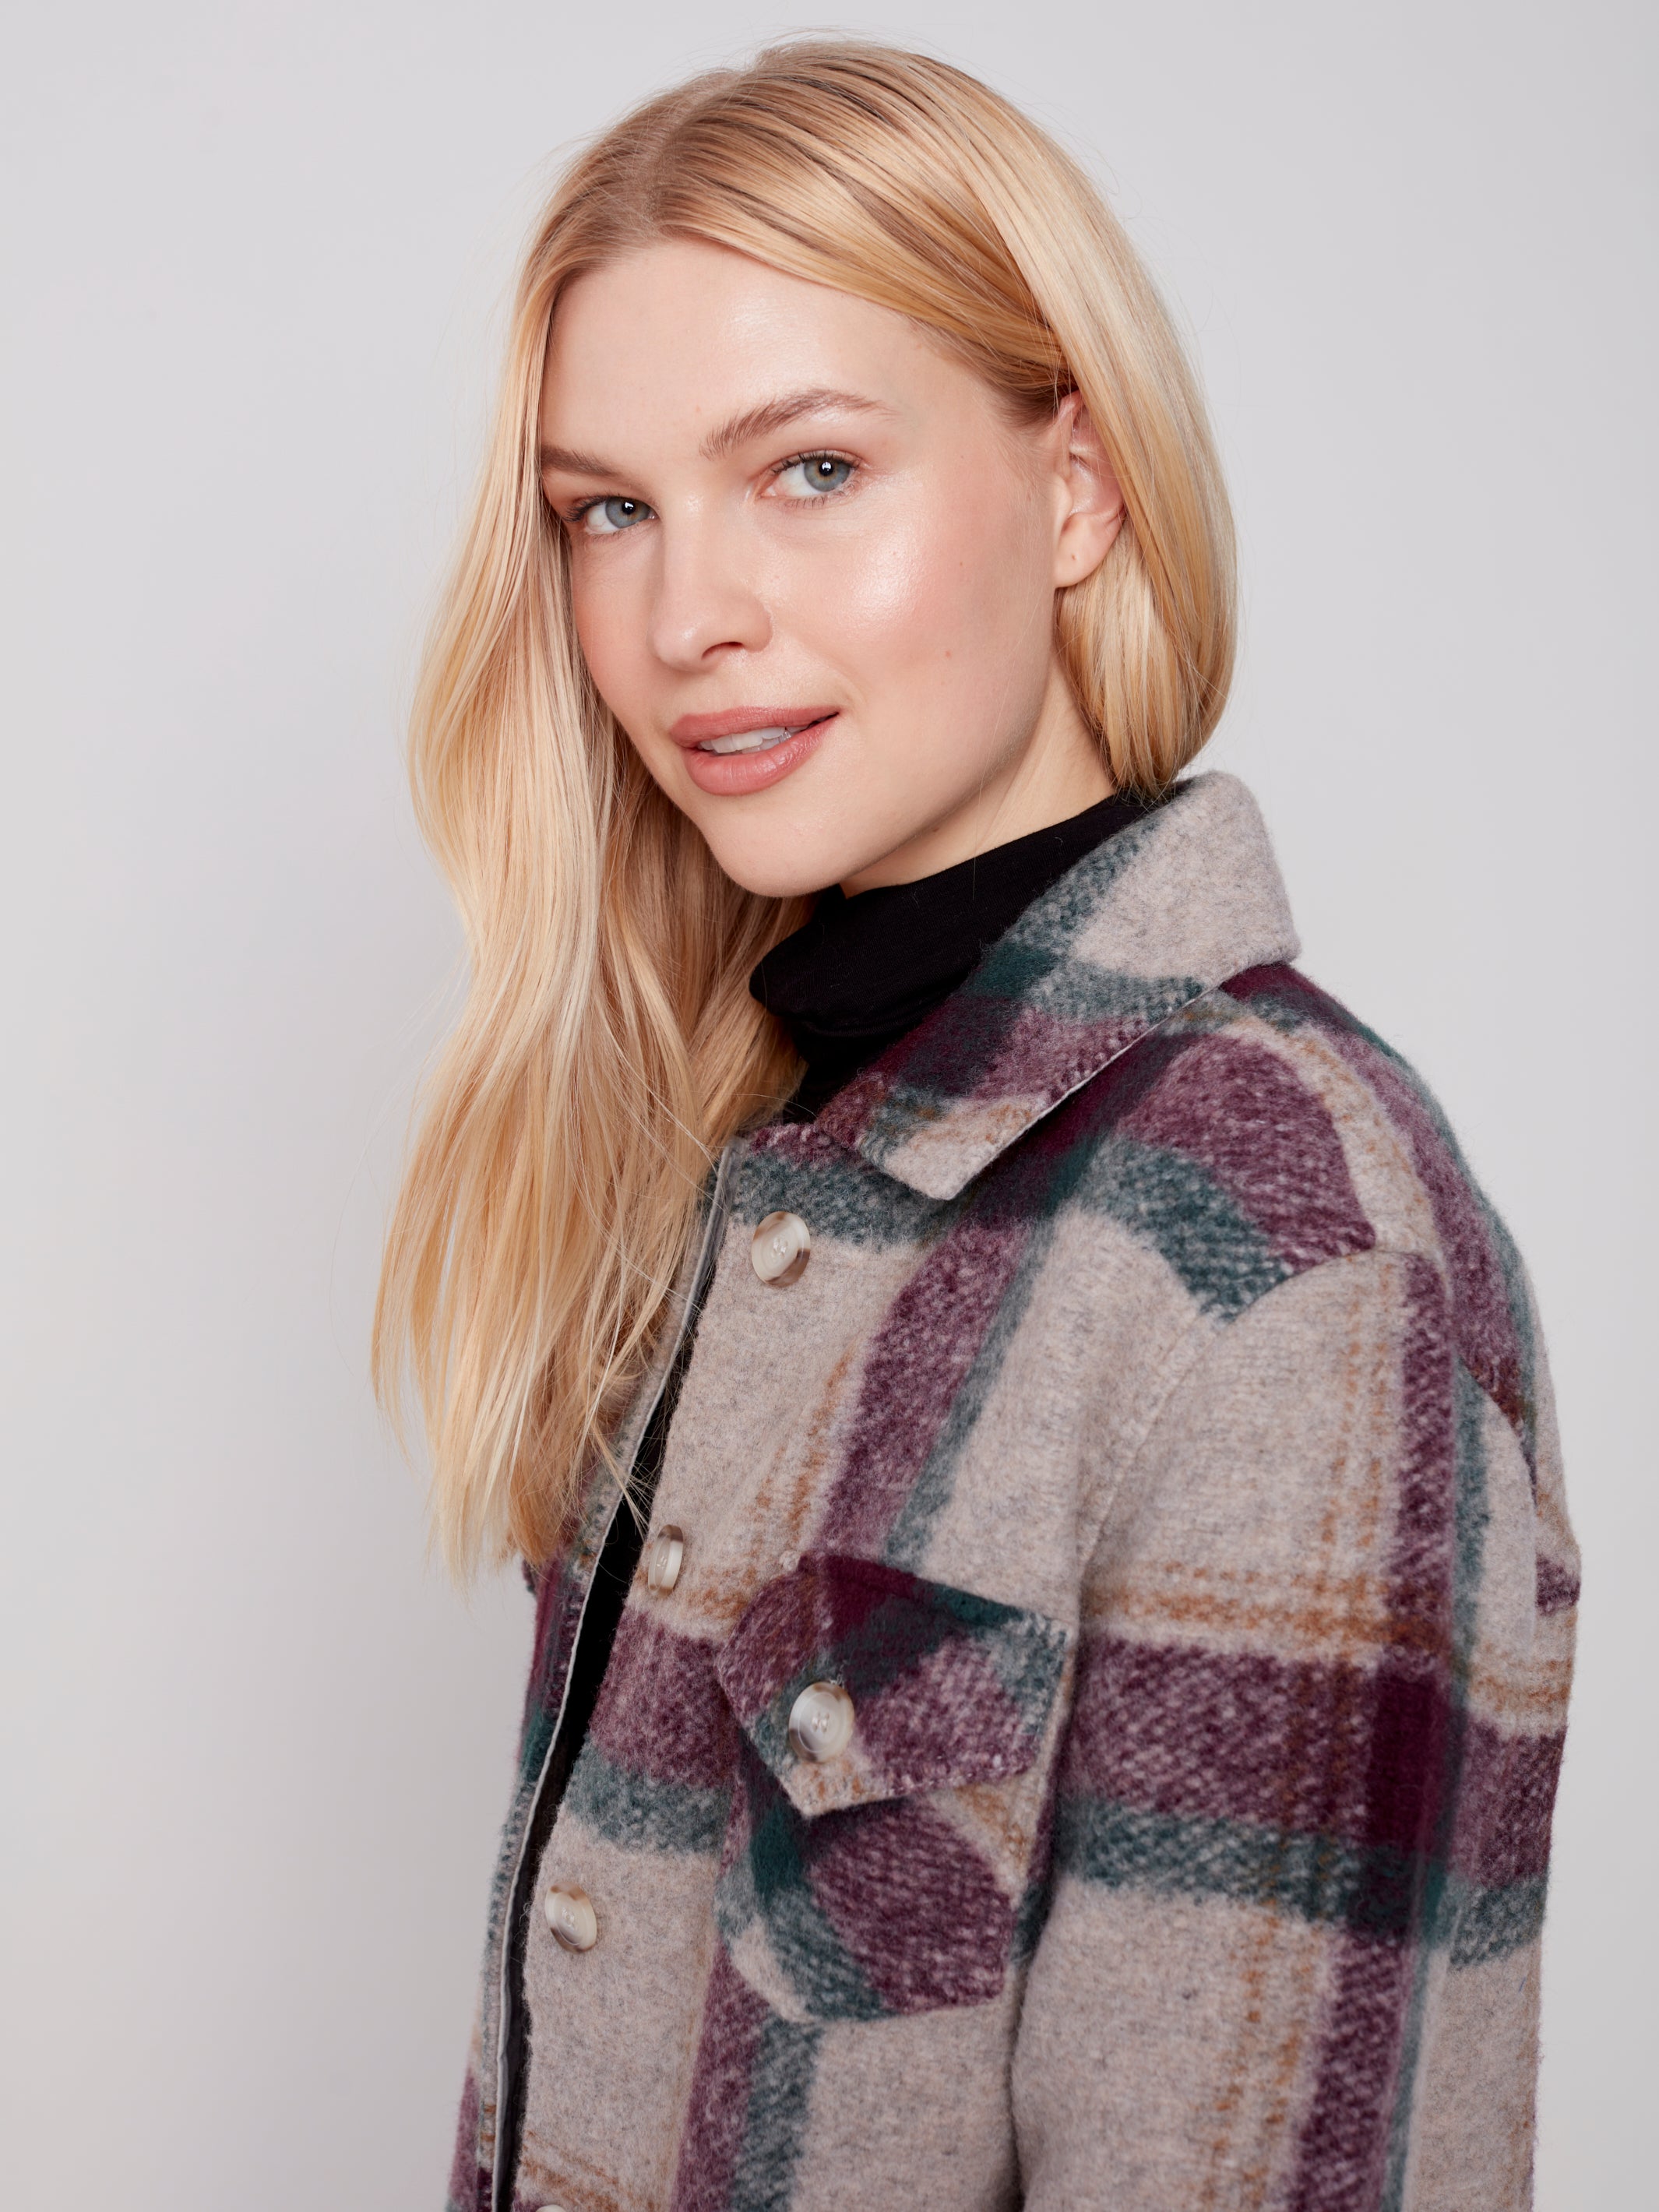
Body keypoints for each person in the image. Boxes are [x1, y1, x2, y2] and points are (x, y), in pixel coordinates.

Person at [375, 39, 1578, 2212]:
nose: (683, 616)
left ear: (1076, 488)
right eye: (606, 512)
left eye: (812, 469)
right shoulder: (752, 1157)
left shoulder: (1280, 1255)